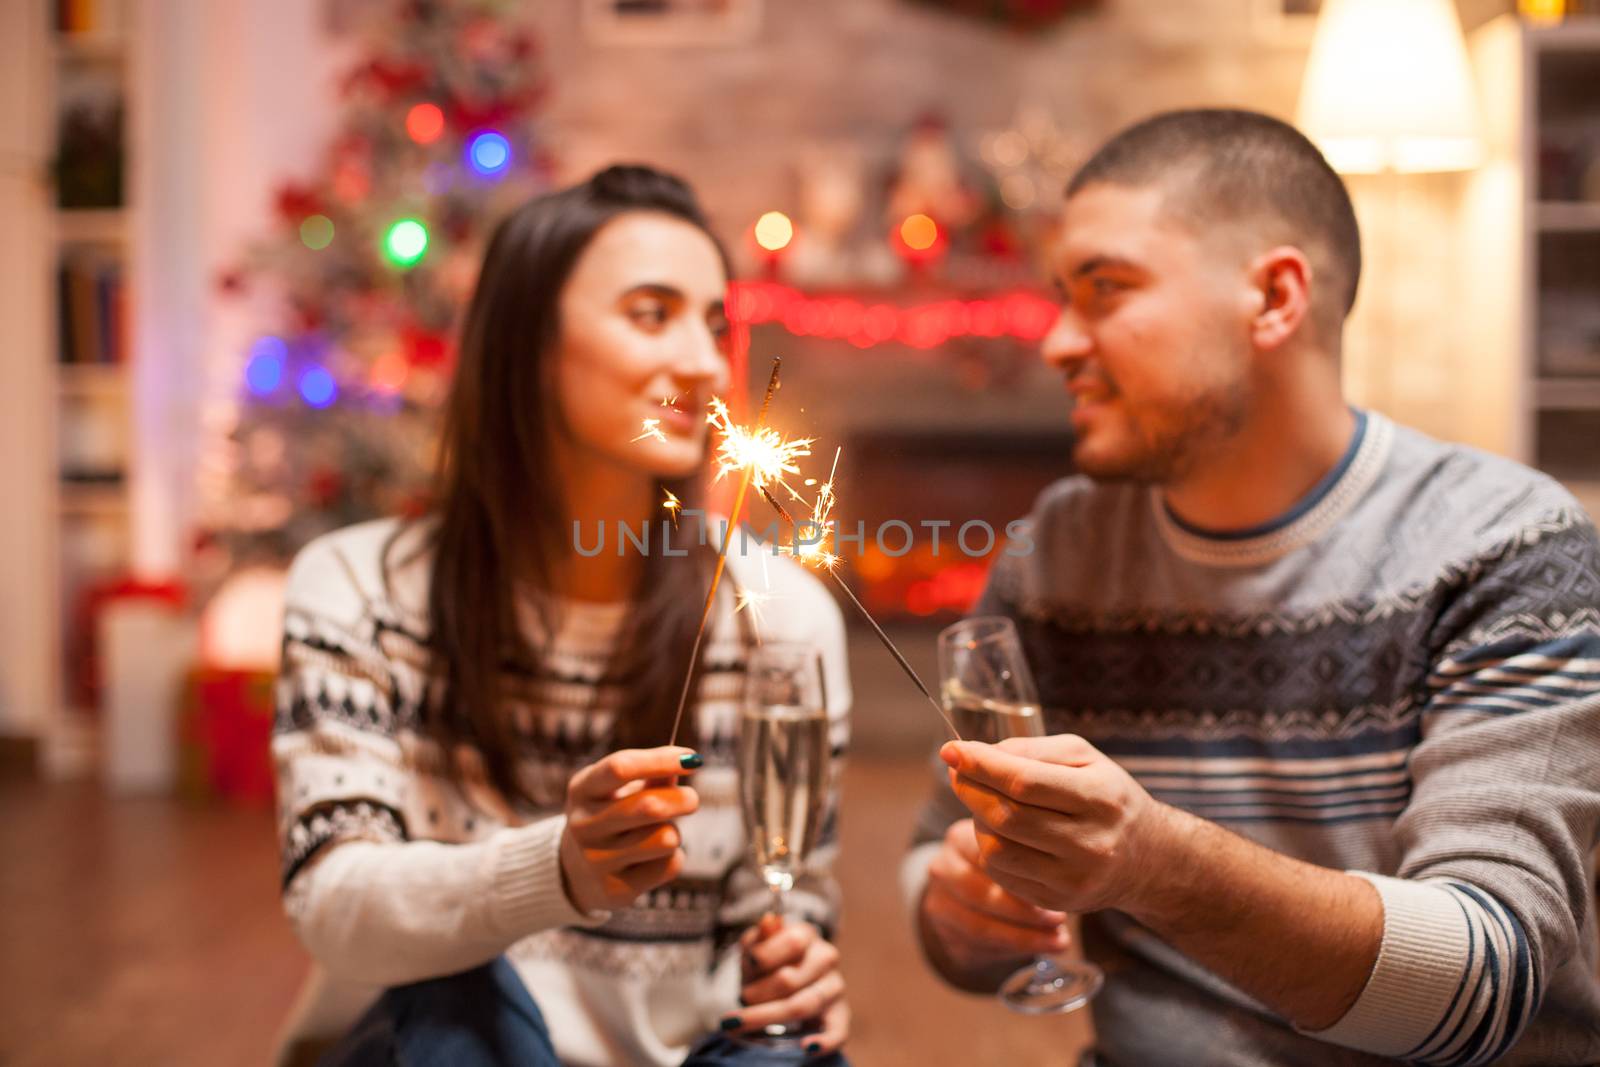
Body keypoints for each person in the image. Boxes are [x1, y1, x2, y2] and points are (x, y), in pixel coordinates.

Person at [906, 109, 1600, 1066]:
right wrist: (960, 911)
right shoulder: (1061, 547)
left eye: (1105, 290)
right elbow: (939, 852)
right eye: (1060, 295)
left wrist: (1156, 862)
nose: (1057, 341)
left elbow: (1485, 980)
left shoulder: (1505, 544)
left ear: (1275, 297)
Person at [271, 165, 852, 1067]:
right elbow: (335, 904)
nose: (705, 364)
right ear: (529, 345)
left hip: (684, 1052)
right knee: (453, 987)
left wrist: (788, 967)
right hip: (445, 1043)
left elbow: (786, 901)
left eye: (713, 323)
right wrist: (558, 871)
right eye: (651, 313)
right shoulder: (358, 589)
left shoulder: (782, 619)